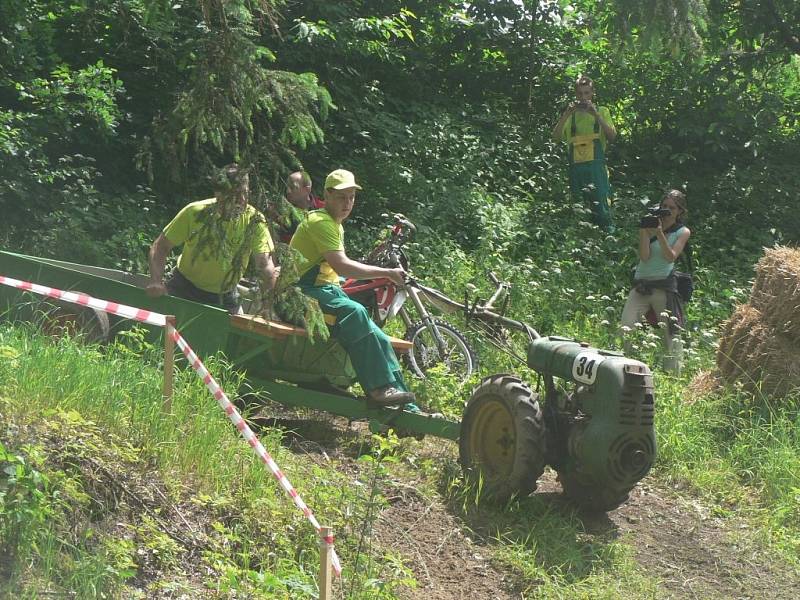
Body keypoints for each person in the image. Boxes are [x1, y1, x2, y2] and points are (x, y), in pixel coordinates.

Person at [289, 169, 415, 406]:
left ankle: (406, 405)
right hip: (296, 296)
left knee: (379, 335)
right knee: (355, 313)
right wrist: (387, 273)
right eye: (341, 197)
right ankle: (379, 391)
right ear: (326, 194)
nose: (348, 203)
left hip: (319, 292)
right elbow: (342, 266)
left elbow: (333, 272)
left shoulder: (335, 224)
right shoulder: (320, 222)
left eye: (351, 197)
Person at [146, 163, 277, 314]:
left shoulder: (255, 221)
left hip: (226, 297)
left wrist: (267, 306)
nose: (240, 200)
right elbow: (160, 246)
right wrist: (156, 281)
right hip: (183, 288)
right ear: (218, 193)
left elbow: (265, 264)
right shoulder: (195, 212)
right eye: (234, 194)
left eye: (244, 193)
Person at [621, 190, 691, 373]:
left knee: (671, 334)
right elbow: (644, 257)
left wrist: (660, 233)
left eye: (671, 208)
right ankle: (625, 368)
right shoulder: (648, 226)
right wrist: (645, 232)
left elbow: (670, 257)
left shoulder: (682, 232)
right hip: (641, 285)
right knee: (626, 327)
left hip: (663, 287)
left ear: (679, 211)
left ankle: (674, 375)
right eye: (664, 206)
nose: (667, 210)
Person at [552, 74, 617, 231]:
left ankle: (608, 240)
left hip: (597, 168)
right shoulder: (570, 115)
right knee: (580, 207)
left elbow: (612, 137)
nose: (583, 97)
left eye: (586, 93)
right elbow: (555, 138)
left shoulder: (602, 111)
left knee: (601, 205)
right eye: (580, 93)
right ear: (576, 94)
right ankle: (583, 241)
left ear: (592, 92)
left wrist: (596, 115)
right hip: (576, 169)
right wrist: (566, 114)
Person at [272, 171, 325, 243]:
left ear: (307, 189)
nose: (288, 191)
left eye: (293, 187)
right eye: (287, 187)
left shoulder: (323, 209)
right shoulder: (280, 213)